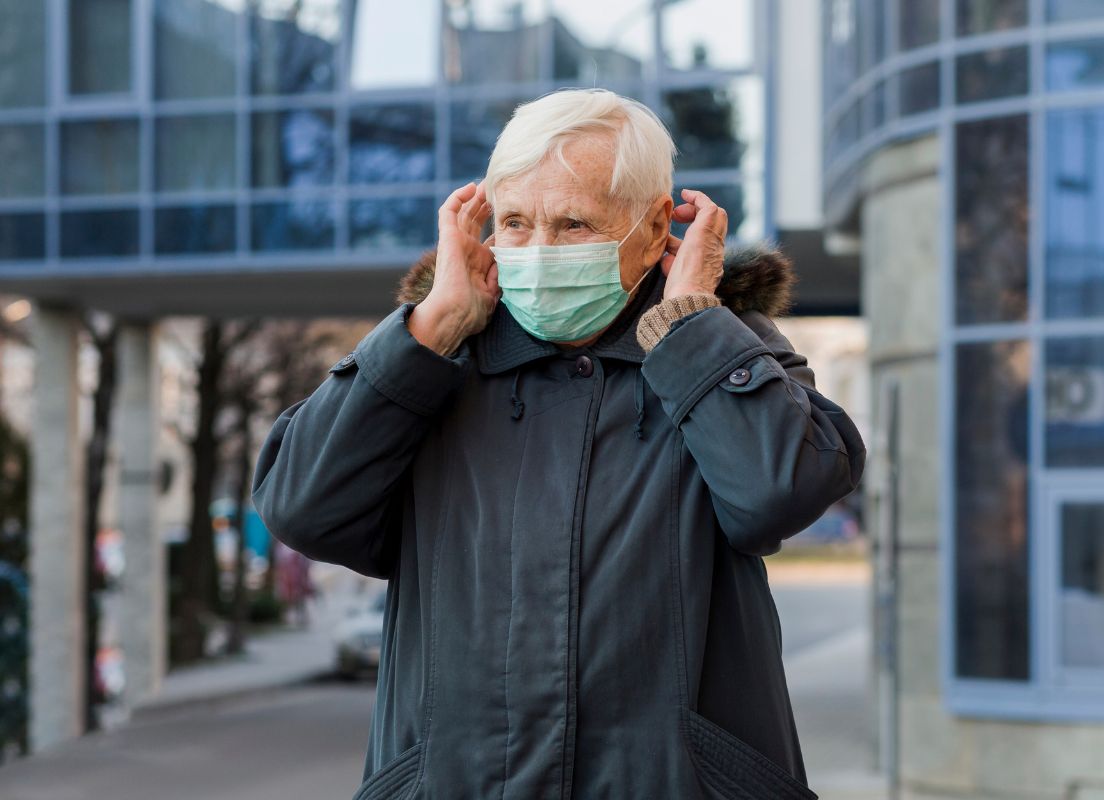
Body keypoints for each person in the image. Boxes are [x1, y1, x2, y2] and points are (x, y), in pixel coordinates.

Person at [252, 88, 866, 799]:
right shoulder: (437, 362)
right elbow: (302, 508)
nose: (538, 251)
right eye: (514, 221)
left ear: (654, 230)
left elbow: (779, 493)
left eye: (572, 224)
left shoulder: (727, 348)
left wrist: (692, 324)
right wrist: (427, 332)